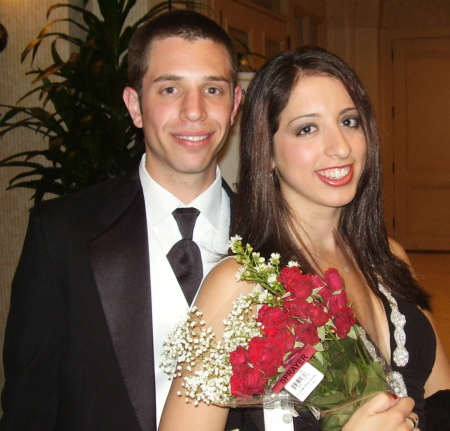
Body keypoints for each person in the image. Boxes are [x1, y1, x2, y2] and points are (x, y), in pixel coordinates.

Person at [159, 47, 450, 430]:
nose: (341, 147)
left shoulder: (389, 257)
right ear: (267, 153)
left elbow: (440, 399)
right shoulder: (239, 285)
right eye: (307, 129)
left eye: (349, 121)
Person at [0, 9, 250, 431]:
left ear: (234, 106)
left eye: (212, 89)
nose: (194, 111)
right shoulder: (62, 233)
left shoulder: (276, 239)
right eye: (170, 89)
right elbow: (30, 408)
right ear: (135, 105)